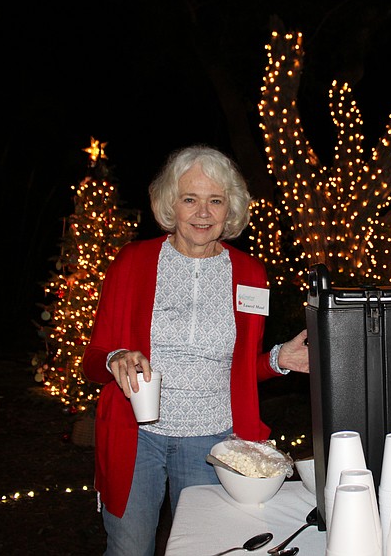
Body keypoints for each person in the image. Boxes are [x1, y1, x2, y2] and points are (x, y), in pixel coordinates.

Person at [82, 144, 310, 556]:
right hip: (137, 436)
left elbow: (240, 369)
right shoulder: (132, 262)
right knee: (129, 549)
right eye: (190, 199)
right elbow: (93, 359)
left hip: (212, 441)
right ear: (171, 204)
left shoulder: (251, 273)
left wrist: (279, 361)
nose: (203, 213)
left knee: (204, 550)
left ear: (231, 209)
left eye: (215, 201)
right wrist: (116, 358)